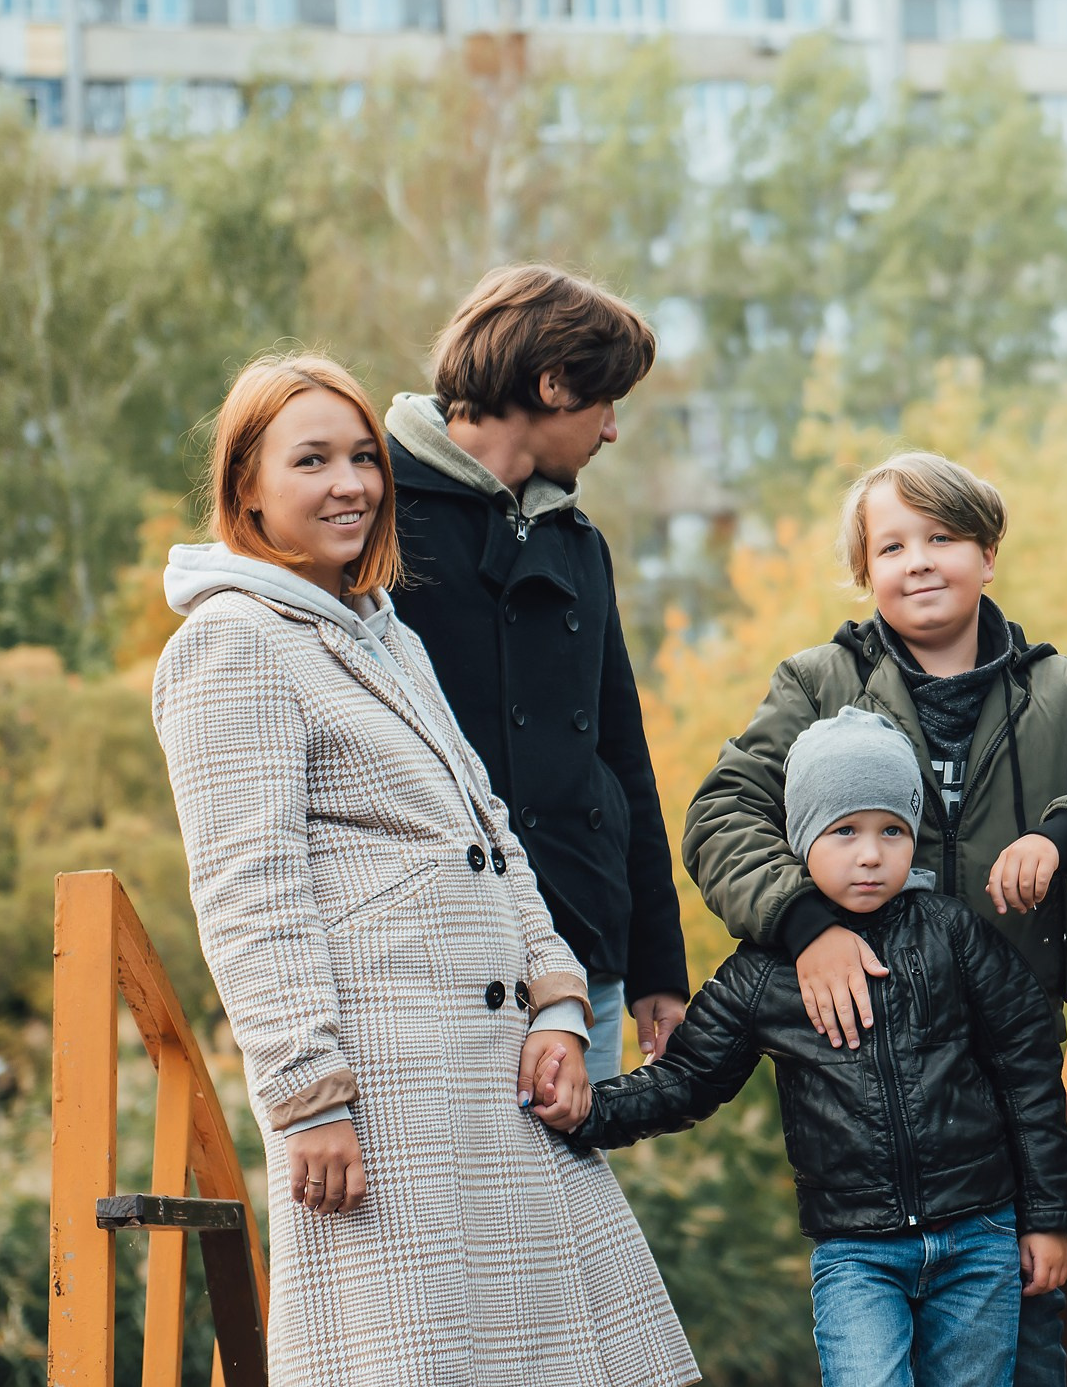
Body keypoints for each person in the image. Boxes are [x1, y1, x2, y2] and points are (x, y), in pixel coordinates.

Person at [152, 353, 697, 1387]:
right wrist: (307, 1098)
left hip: (500, 1079)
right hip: (385, 1093)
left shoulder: (383, 633)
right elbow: (246, 894)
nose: (351, 482)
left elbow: (490, 828)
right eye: (310, 460)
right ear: (245, 489)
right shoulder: (231, 644)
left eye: (363, 456)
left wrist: (558, 1004)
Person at [681, 451, 1067, 1387]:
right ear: (865, 570)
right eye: (892, 544)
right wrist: (805, 924)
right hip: (870, 1077)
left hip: (1009, 1078)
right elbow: (721, 815)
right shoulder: (816, 685)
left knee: (1025, 1340)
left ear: (988, 554)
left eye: (943, 536)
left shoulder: (1062, 692)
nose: (918, 560)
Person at [558, 706, 1067, 1387]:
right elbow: (686, 1077)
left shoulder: (953, 934)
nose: (870, 853)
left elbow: (1027, 1073)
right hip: (857, 1252)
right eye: (844, 831)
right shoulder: (762, 974)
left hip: (977, 1236)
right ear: (801, 839)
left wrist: (1045, 1219)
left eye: (892, 829)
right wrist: (585, 1109)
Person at [381, 265, 689, 1084]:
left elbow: (621, 750)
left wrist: (657, 963)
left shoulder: (579, 542)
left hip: (585, 944)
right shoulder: (372, 510)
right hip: (433, 950)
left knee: (571, 1201)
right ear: (552, 383)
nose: (613, 430)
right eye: (604, 402)